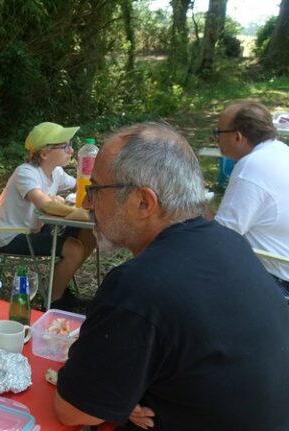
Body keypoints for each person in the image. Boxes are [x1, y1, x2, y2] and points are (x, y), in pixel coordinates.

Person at [54, 123, 289, 430]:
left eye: (95, 190)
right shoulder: (229, 242)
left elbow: (73, 411)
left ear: (143, 202)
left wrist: (107, 391)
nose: (87, 203)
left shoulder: (139, 286)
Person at [0, 122, 95, 309]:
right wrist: (80, 214)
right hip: (11, 235)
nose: (71, 151)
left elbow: (81, 186)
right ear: (45, 154)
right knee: (74, 249)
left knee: (89, 234)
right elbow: (45, 204)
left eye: (70, 145)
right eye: (65, 146)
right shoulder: (26, 173)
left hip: (34, 229)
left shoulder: (56, 172)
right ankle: (53, 302)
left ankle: (59, 286)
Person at [213, 100, 289, 296]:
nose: (216, 139)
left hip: (277, 280)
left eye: (218, 132)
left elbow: (222, 237)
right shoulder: (280, 150)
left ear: (237, 136)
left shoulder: (251, 166)